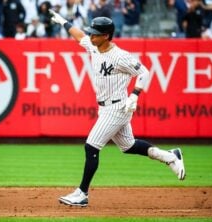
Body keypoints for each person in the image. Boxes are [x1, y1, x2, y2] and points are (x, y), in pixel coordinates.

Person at [49, 9, 186, 207]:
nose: (91, 35)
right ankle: (170, 156)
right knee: (128, 146)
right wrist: (63, 22)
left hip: (117, 108)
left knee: (91, 146)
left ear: (106, 36)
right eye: (92, 32)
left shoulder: (120, 56)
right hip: (105, 108)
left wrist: (135, 94)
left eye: (95, 33)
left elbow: (144, 72)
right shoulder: (94, 46)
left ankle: (82, 193)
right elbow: (79, 36)